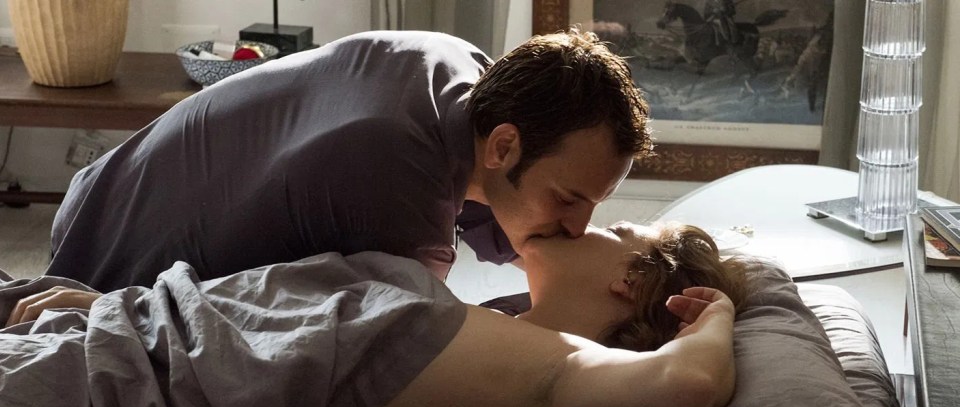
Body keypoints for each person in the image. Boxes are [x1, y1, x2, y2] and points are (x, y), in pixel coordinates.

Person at [8, 221, 749, 407]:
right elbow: (281, 320)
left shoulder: (560, 364)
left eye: (618, 229)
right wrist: (126, 310)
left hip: (120, 391)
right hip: (136, 338)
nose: (586, 220)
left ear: (631, 279)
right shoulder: (496, 328)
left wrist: (713, 317)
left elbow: (686, 383)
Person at [45, 28, 652, 292]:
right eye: (568, 199)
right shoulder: (402, 191)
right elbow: (428, 353)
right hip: (107, 266)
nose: (579, 227)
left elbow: (494, 205)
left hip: (101, 187)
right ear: (503, 146)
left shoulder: (466, 72)